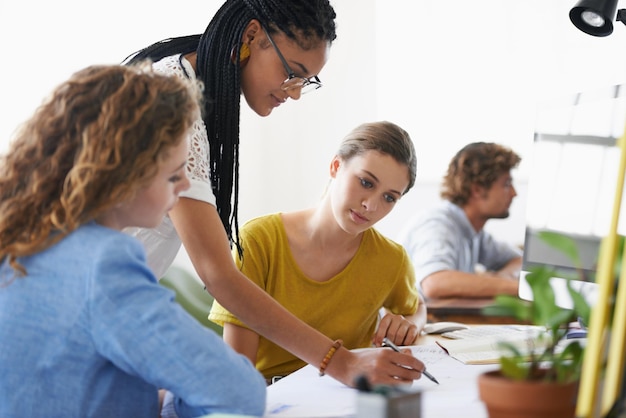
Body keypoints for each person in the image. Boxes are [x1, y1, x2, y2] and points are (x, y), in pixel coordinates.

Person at [123, 0, 426, 386]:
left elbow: (416, 307)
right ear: (252, 36)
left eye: (305, 82)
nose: (295, 93)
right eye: (292, 73)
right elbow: (218, 274)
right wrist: (343, 364)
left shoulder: (186, 91)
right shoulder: (170, 102)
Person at [0, 64, 266, 418]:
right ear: (123, 176)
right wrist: (171, 402)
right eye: (174, 174)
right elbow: (238, 389)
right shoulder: (103, 262)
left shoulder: (20, 239)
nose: (186, 185)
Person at [209, 121, 428, 382]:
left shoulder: (392, 259)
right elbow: (237, 370)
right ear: (336, 166)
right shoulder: (259, 240)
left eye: (389, 197)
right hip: (269, 396)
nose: (371, 206)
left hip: (346, 398)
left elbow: (417, 307)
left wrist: (412, 322)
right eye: (366, 183)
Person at [399, 142, 523, 299]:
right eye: (506, 184)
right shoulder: (438, 225)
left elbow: (519, 260)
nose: (514, 193)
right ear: (477, 189)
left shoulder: (476, 233)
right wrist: (518, 289)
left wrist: (503, 277)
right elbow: (435, 283)